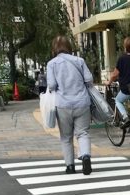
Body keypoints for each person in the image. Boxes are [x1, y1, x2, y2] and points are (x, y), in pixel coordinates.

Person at [46, 35, 94, 175]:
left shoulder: (51, 64)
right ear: (69, 47)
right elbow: (89, 80)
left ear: (54, 48)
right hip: (82, 102)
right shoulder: (79, 61)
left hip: (63, 105)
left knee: (66, 137)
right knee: (83, 133)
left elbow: (52, 85)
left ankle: (70, 166)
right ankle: (85, 156)